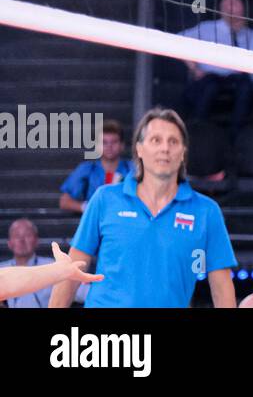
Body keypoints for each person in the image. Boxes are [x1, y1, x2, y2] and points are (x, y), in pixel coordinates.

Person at [50, 108, 238, 308]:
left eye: (173, 141)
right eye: (156, 140)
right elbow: (72, 271)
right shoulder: (105, 199)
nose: (165, 148)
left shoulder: (206, 211)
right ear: (139, 149)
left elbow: (221, 287)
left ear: (183, 152)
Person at [178, 0, 253, 131]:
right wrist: (193, 68)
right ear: (222, 10)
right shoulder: (207, 28)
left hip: (236, 76)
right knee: (209, 87)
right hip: (211, 75)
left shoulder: (249, 33)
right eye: (230, 7)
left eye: (237, 7)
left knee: (246, 87)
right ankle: (198, 128)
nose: (234, 11)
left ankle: (237, 133)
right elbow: (179, 40)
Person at [0, 234, 99, 306]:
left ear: (36, 241)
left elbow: (4, 281)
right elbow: (4, 282)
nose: (21, 240)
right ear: (9, 243)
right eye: (17, 236)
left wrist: (61, 271)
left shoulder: (52, 265)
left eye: (26, 235)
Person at [58, 119, 131, 213]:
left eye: (114, 142)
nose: (109, 146)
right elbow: (64, 202)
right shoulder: (87, 170)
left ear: (122, 145)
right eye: (104, 142)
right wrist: (86, 207)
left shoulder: (132, 168)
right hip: (95, 223)